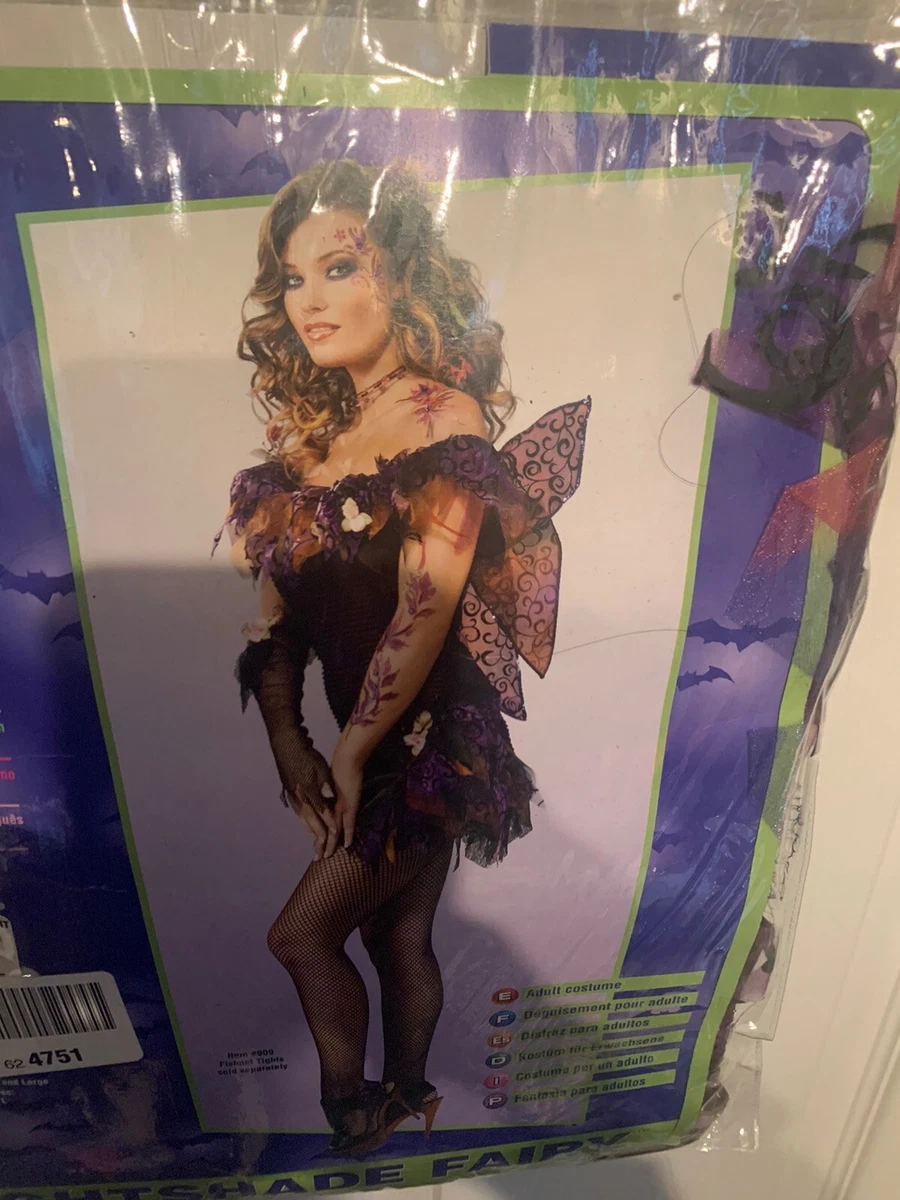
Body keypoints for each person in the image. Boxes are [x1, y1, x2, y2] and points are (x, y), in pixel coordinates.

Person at [220, 159, 590, 1156]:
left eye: (338, 267)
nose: (308, 301)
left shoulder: (446, 418)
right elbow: (274, 625)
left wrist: (348, 752)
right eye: (292, 279)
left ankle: (354, 1120)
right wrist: (294, 746)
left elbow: (423, 614)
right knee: (397, 935)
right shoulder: (305, 450)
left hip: (431, 742)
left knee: (301, 935)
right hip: (356, 737)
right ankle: (412, 1094)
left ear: (402, 276)